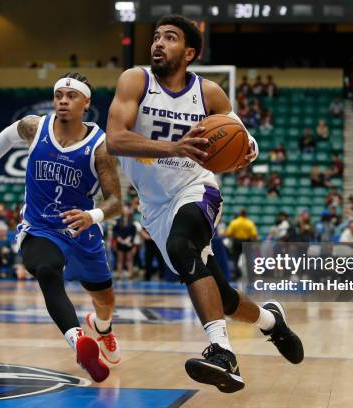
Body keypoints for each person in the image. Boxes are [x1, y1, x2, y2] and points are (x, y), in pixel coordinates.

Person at [105, 15, 303, 392]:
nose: (158, 43)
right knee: (223, 296)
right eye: (157, 37)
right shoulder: (136, 81)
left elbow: (242, 138)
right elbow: (115, 138)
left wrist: (248, 150)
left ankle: (222, 353)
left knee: (183, 245)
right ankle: (271, 322)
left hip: (197, 188)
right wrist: (174, 146)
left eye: (170, 38)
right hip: (155, 206)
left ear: (190, 52)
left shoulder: (209, 93)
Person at [0, 72, 123, 383]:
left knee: (105, 298)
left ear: (86, 103)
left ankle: (102, 328)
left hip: (81, 230)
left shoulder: (100, 147)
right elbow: (6, 136)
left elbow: (116, 201)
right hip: (40, 227)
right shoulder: (35, 126)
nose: (63, 100)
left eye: (71, 96)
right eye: (59, 95)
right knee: (48, 271)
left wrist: (92, 215)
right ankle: (78, 341)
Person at [225, 210, 258, 280]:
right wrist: (254, 243)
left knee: (235, 259)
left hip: (237, 241)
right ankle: (250, 277)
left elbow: (229, 234)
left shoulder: (234, 222)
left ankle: (237, 275)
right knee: (248, 259)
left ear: (239, 214)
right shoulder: (249, 223)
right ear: (246, 215)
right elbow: (254, 235)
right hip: (247, 241)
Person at [112, 205, 138, 279]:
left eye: (127, 209)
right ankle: (119, 275)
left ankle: (130, 275)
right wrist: (118, 238)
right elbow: (115, 231)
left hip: (128, 242)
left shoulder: (132, 220)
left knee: (129, 259)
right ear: (122, 211)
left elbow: (134, 232)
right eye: (124, 209)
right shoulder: (118, 220)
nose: (126, 211)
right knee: (120, 259)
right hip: (120, 242)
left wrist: (130, 239)